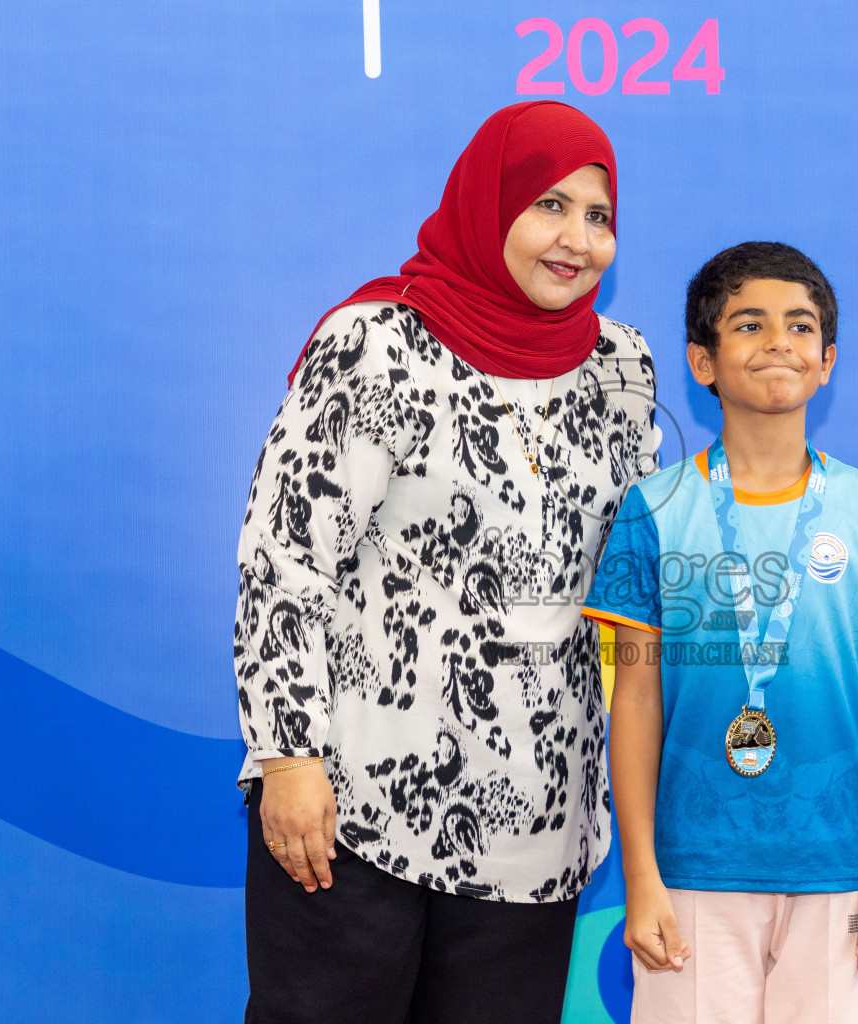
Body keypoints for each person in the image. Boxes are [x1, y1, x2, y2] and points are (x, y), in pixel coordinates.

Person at [234, 101, 660, 1024]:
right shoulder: (380, 344)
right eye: (549, 205)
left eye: (599, 216)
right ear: (488, 203)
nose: (577, 239)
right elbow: (285, 558)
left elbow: (635, 584)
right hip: (355, 804)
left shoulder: (622, 370)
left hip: (538, 821)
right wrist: (287, 757)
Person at [583, 242, 858, 1024]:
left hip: (839, 865)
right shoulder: (653, 509)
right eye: (748, 324)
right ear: (701, 363)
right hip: (693, 869)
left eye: (800, 326)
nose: (779, 341)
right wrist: (641, 874)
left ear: (827, 360)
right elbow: (635, 700)